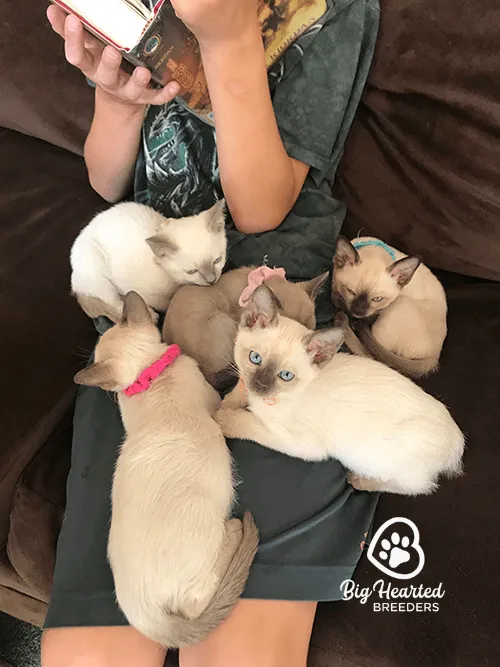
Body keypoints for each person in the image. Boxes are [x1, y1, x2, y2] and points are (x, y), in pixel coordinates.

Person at [42, 1, 380, 666]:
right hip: (152, 334)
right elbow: (105, 180)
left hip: (271, 319)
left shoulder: (329, 13)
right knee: (96, 640)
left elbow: (261, 205)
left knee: (238, 645)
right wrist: (117, 103)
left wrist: (227, 40)